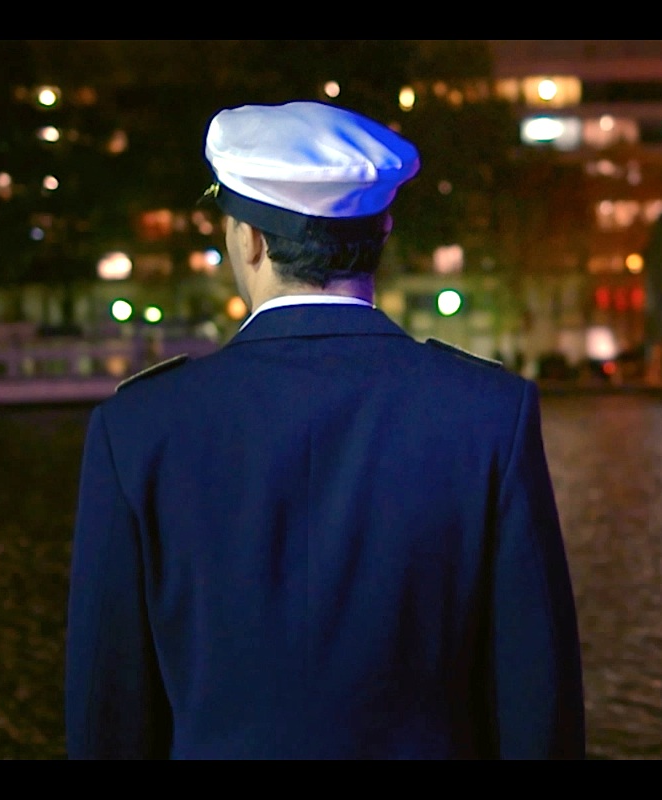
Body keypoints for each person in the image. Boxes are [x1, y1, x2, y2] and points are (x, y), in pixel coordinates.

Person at [65, 100, 585, 759]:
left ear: (250, 241)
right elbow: (538, 701)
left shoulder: (137, 428)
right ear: (382, 232)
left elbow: (106, 711)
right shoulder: (489, 413)